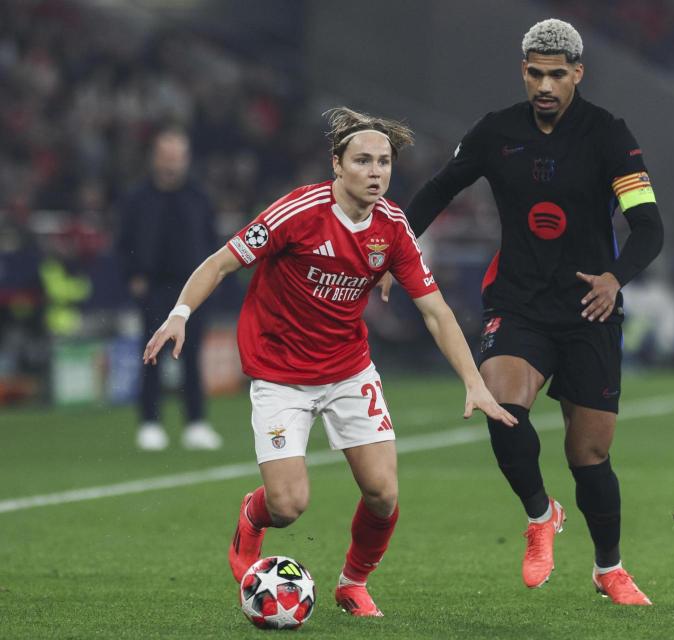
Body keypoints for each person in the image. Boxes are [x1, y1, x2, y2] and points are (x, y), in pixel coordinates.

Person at [142, 108, 516, 617]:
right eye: (363, 160)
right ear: (337, 165)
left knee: (383, 493)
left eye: (384, 162)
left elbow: (436, 312)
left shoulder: (394, 228)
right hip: (279, 375)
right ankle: (252, 517)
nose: (376, 171)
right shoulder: (297, 213)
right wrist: (180, 313)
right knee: (288, 507)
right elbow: (222, 260)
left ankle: (353, 583)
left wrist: (473, 381)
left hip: (347, 369)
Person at [396, 19, 664, 605]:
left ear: (578, 74)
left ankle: (608, 568)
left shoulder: (608, 135)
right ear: (523, 70)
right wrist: (393, 248)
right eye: (536, 73)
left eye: (557, 75)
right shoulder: (496, 132)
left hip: (589, 308)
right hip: (518, 302)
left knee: (588, 456)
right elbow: (440, 189)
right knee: (502, 408)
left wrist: (616, 279)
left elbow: (648, 227)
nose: (545, 85)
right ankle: (541, 515)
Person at [118, 128, 223, 451]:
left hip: (191, 287)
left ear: (186, 159)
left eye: (177, 156)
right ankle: (149, 423)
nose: (172, 163)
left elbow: (213, 243)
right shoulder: (137, 197)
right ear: (155, 157)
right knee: (151, 355)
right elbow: (123, 242)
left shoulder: (199, 196)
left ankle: (196, 423)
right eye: (166, 156)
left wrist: (211, 280)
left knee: (192, 356)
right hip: (153, 287)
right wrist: (133, 275)